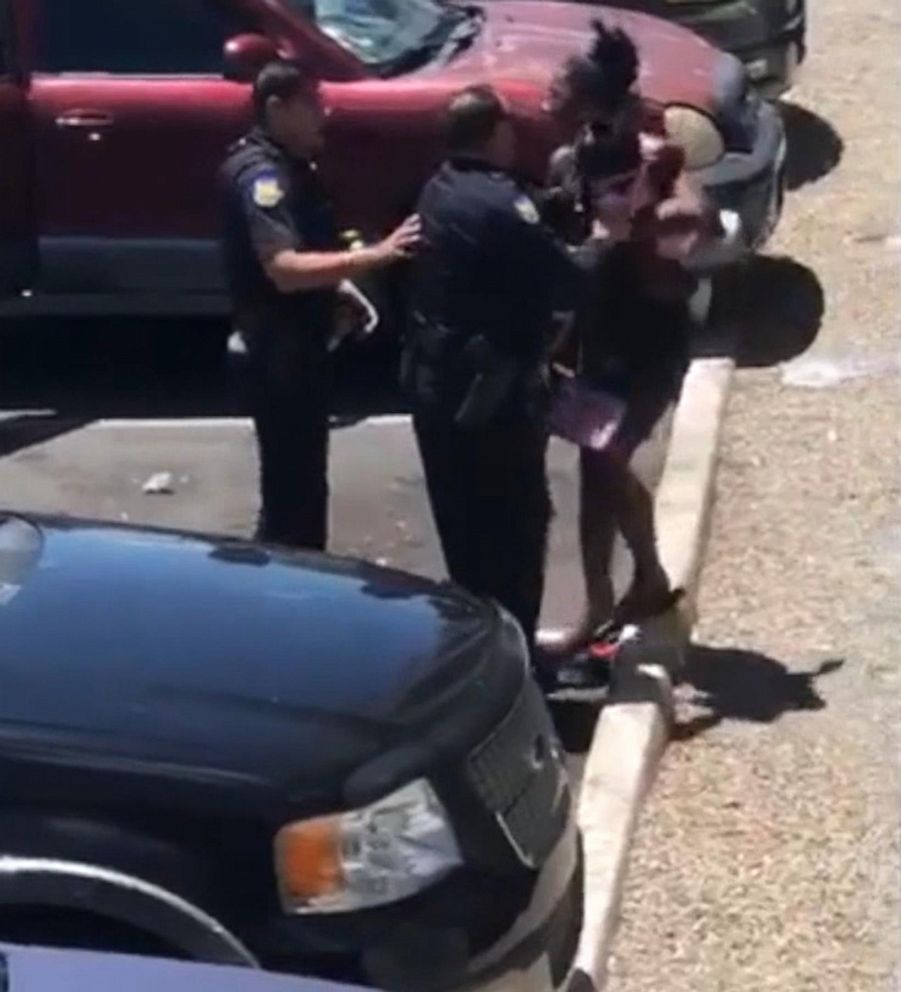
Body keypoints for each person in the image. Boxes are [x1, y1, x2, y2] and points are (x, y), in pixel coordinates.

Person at [542, 21, 721, 656]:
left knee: (606, 455)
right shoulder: (575, 153)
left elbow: (700, 218)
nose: (551, 89)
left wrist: (642, 224)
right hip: (600, 333)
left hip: (650, 337)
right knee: (595, 464)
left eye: (563, 82)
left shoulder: (651, 150)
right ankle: (619, 591)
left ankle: (632, 584)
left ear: (592, 95)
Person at [404, 84, 592, 657]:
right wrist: (605, 242)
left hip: (438, 389)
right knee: (513, 538)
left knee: (466, 544)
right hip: (491, 403)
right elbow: (566, 279)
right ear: (495, 134)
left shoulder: (438, 189)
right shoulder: (502, 205)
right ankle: (520, 670)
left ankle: (480, 660)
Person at [219, 59, 420, 550]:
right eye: (312, 104)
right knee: (293, 494)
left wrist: (339, 289)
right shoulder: (263, 177)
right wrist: (377, 256)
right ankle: (292, 596)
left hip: (298, 351)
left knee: (303, 485)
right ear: (276, 108)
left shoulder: (291, 165)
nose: (322, 115)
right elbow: (283, 269)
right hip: (279, 358)